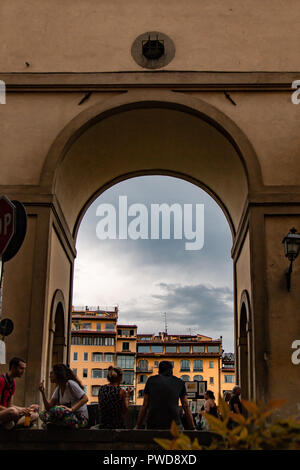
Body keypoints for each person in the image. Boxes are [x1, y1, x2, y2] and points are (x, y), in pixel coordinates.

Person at [136, 360, 195, 430]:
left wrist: (138, 426)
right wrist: (192, 427)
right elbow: (185, 406)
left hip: (153, 425)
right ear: (171, 370)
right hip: (174, 425)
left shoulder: (151, 380)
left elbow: (145, 405)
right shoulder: (180, 382)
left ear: (159, 370)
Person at [39, 364, 89, 429]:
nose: (50, 376)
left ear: (58, 374)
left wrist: (71, 409)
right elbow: (48, 408)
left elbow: (85, 398)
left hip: (80, 418)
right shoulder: (58, 389)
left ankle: (58, 424)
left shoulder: (70, 384)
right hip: (67, 417)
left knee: (57, 410)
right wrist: (42, 392)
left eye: (52, 373)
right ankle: (58, 424)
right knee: (42, 414)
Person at [0, 357, 39, 430]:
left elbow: (10, 405)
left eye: (24, 369)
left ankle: (15, 426)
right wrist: (19, 411)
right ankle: (12, 425)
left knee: (34, 414)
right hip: (4, 414)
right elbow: (8, 408)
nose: (23, 371)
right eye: (21, 368)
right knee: (13, 411)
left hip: (9, 414)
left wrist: (26, 409)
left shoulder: (13, 383)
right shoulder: (1, 380)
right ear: (13, 367)